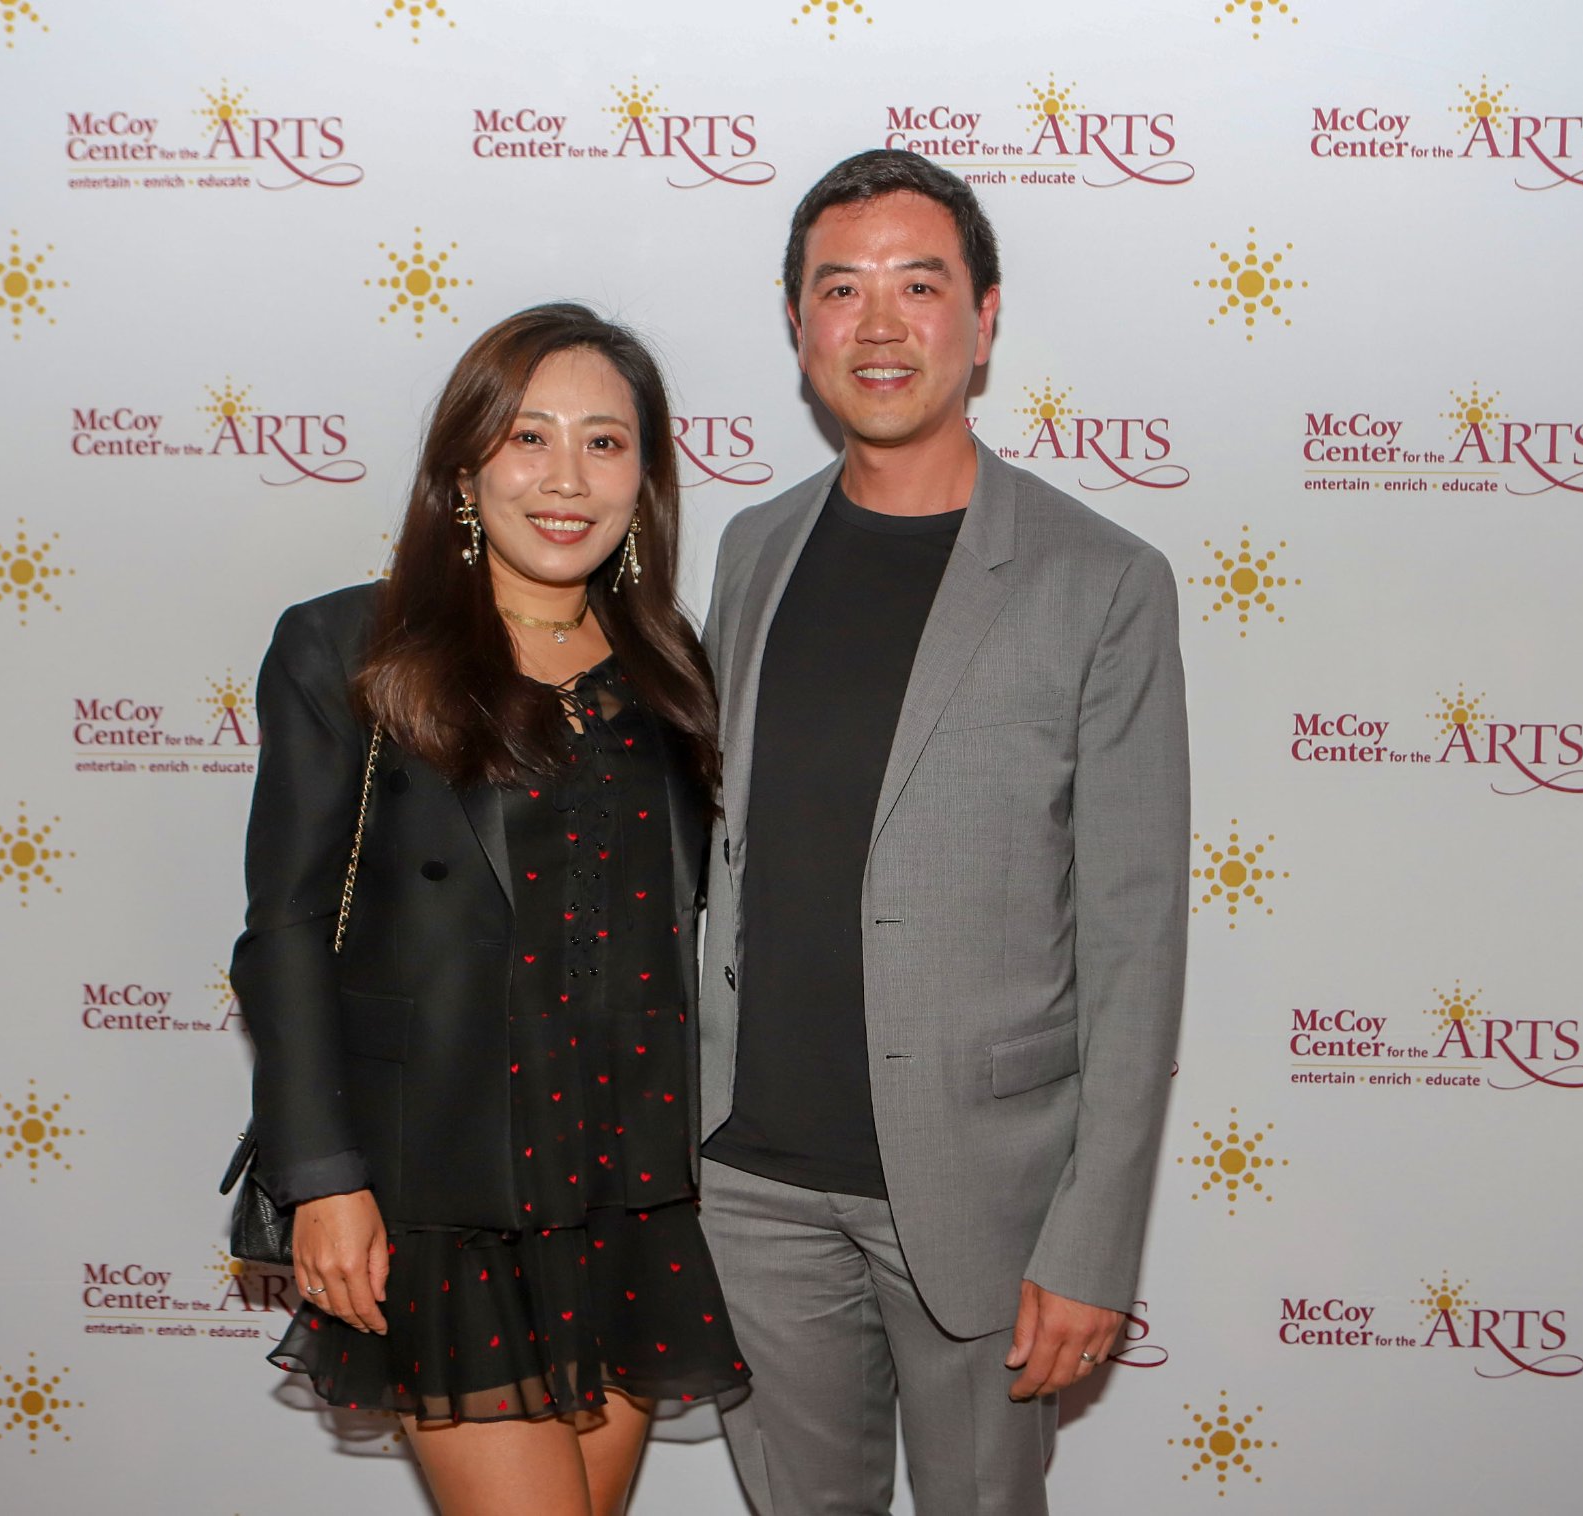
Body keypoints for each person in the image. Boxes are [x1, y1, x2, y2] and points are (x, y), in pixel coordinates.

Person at [695, 150, 1190, 1513]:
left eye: (917, 286)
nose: (877, 323)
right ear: (795, 322)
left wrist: (1093, 1242)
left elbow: (1136, 935)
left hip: (985, 1195)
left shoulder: (1102, 581)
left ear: (983, 317)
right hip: (750, 1185)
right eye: (837, 288)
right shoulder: (750, 548)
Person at [229, 303, 749, 1516]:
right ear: (464, 468)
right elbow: (284, 929)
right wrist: (322, 1178)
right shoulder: (350, 648)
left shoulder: (672, 667)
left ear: (644, 479)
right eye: (528, 437)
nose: (567, 478)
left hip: (628, 1183)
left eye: (604, 443)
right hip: (436, 1189)